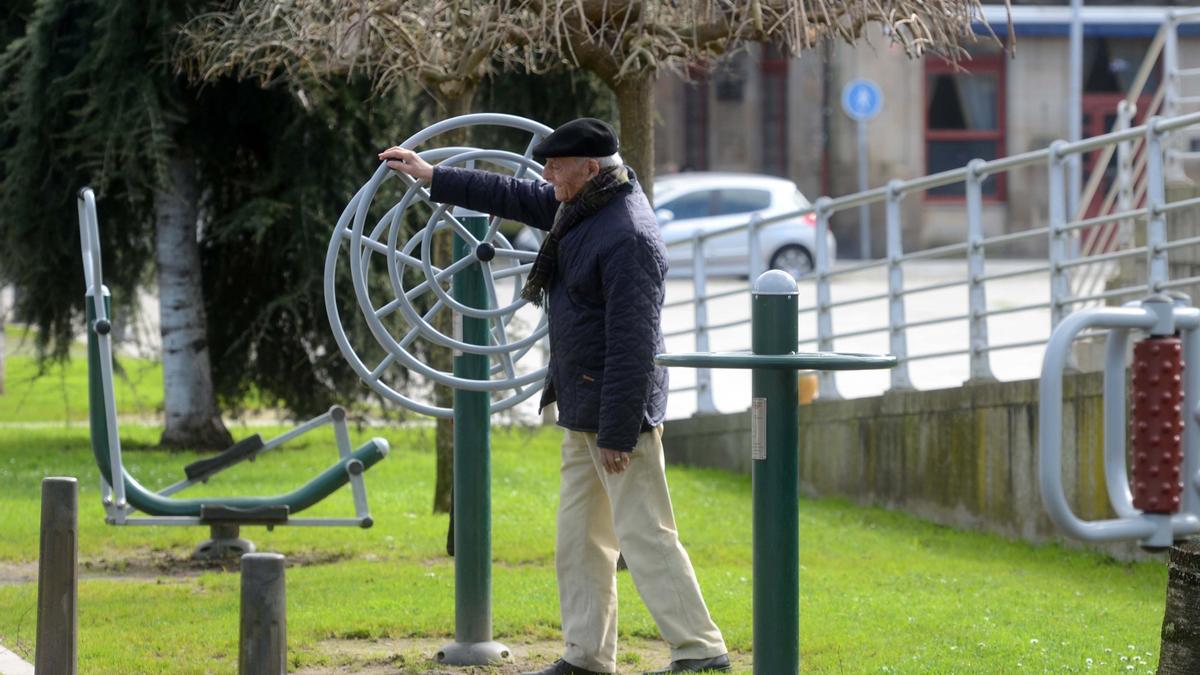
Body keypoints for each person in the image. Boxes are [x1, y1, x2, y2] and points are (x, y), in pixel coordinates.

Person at [379, 118, 730, 675]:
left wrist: (618, 433)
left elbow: (634, 348)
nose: (546, 177)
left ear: (589, 168)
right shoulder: (584, 205)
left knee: (645, 536)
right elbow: (515, 195)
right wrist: (433, 177)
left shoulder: (627, 236)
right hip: (582, 406)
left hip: (617, 417)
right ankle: (586, 657)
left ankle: (701, 652)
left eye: (556, 167)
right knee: (579, 542)